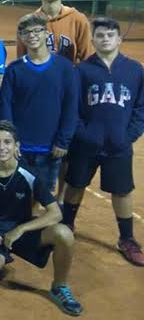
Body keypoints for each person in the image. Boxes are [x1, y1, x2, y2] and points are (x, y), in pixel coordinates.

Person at [0, 121, 83, 316]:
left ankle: (59, 286)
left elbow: (55, 213)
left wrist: (20, 229)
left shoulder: (29, 173)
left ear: (16, 146)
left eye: (7, 142)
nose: (2, 147)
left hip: (22, 230)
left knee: (64, 233)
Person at [62, 18, 144, 266]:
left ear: (119, 39)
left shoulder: (135, 70)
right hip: (86, 144)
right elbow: (72, 108)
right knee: (75, 184)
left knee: (122, 190)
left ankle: (127, 238)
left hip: (119, 145)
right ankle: (67, 224)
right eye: (100, 35)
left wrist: (128, 136)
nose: (105, 39)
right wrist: (83, 134)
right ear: (93, 40)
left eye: (110, 35)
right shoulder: (82, 71)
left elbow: (140, 108)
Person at [0, 14, 78, 194]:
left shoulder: (64, 67)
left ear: (46, 34)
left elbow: (71, 107)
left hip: (51, 148)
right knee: (16, 195)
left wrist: (63, 141)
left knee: (43, 197)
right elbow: (5, 107)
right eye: (26, 32)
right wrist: (10, 141)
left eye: (37, 31)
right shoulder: (14, 69)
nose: (32, 35)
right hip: (19, 148)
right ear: (21, 37)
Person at [17, 0, 93, 64]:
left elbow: (87, 57)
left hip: (69, 72)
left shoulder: (78, 19)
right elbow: (22, 60)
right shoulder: (29, 22)